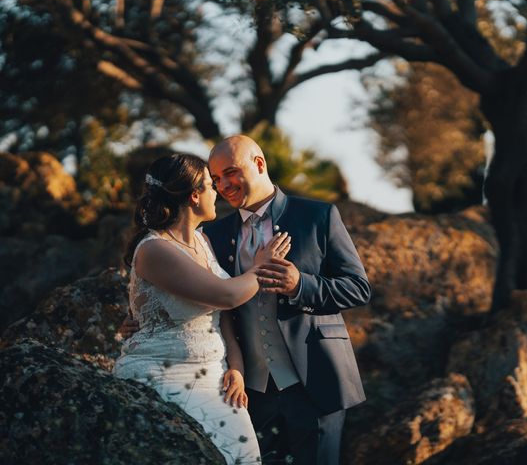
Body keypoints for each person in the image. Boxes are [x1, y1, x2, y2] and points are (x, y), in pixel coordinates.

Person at [113, 153, 291, 465]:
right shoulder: (155, 249)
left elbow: (218, 318)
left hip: (217, 382)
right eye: (210, 185)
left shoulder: (202, 241)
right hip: (164, 379)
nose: (217, 192)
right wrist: (260, 268)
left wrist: (235, 366)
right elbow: (225, 296)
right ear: (194, 196)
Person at [206, 135, 371, 465]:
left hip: (316, 382)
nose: (223, 184)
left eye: (230, 172)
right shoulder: (214, 234)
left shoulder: (317, 216)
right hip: (250, 393)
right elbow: (210, 301)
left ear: (259, 164)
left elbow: (358, 287)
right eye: (215, 179)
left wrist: (300, 285)